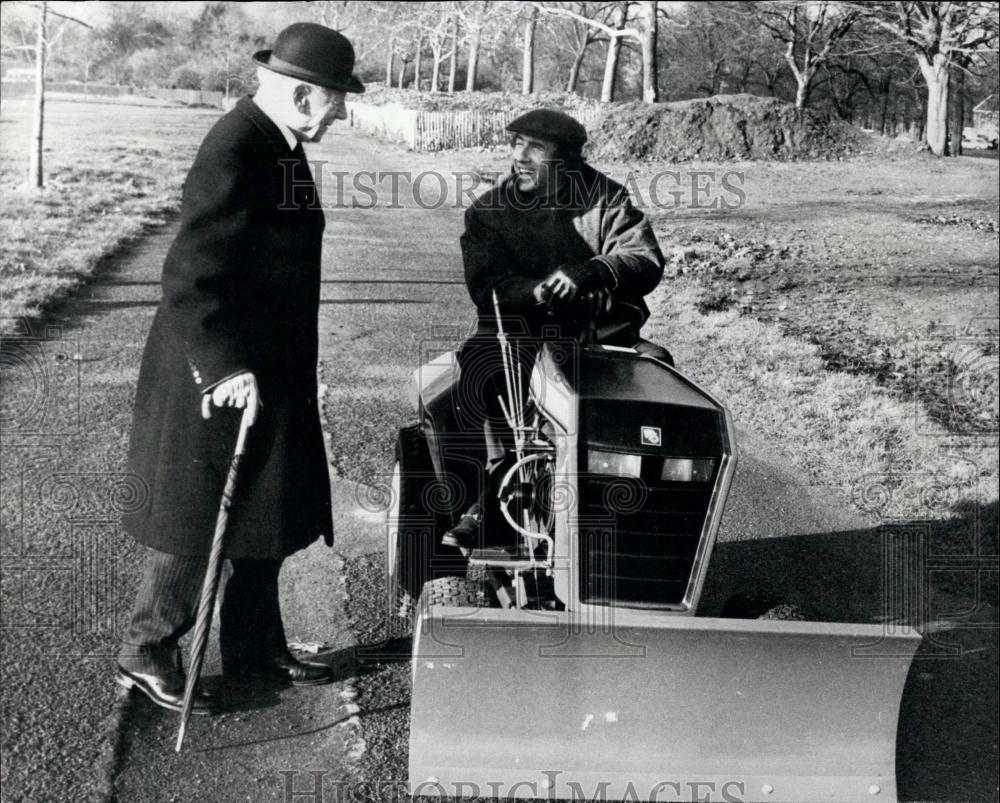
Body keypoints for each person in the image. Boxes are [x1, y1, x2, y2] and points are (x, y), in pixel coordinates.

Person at [116, 23, 364, 715]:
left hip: (269, 365)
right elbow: (192, 273)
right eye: (337, 98)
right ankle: (147, 649)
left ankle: (255, 647)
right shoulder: (235, 145)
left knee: (266, 509)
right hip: (221, 368)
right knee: (195, 516)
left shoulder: (277, 144)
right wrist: (222, 367)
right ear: (304, 95)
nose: (342, 112)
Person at [443, 108, 668, 550]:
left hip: (600, 337)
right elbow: (487, 286)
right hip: (519, 336)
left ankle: (644, 506)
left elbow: (644, 260)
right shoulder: (489, 212)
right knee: (476, 370)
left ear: (567, 161)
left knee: (659, 368)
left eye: (535, 148)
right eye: (516, 143)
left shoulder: (608, 200)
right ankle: (488, 499)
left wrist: (595, 270)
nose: (519, 157)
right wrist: (541, 291)